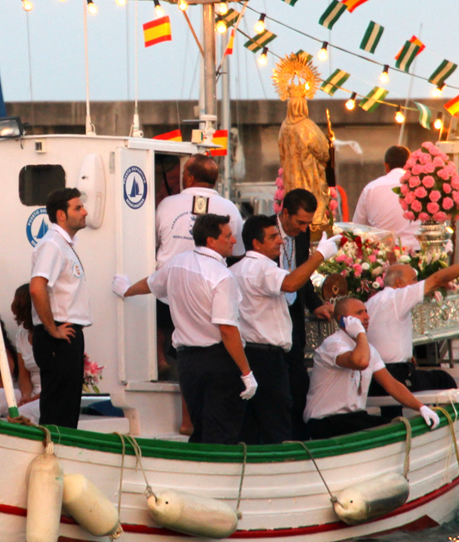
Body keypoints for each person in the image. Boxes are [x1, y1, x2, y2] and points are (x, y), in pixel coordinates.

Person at [116, 214, 254, 445]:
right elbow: (228, 330)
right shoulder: (221, 276)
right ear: (211, 240)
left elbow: (151, 283)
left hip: (188, 364)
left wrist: (126, 290)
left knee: (200, 429)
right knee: (221, 433)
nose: (233, 240)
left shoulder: (177, 263)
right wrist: (246, 373)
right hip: (219, 362)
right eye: (228, 236)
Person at [231, 214, 339, 444]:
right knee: (276, 420)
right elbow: (290, 283)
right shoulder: (262, 268)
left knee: (252, 424)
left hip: (247, 354)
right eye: (273, 237)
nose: (280, 241)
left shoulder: (236, 269)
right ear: (256, 244)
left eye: (278, 236)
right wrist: (320, 255)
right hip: (267, 358)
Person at [153, 153, 244, 391]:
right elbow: (238, 250)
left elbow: (151, 243)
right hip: (209, 289)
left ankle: (160, 359)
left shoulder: (166, 204)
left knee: (161, 324)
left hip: (169, 284)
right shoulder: (229, 208)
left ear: (190, 177)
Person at [304, 297, 441, 439]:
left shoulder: (368, 349)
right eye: (359, 313)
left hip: (354, 417)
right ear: (342, 320)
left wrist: (421, 407)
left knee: (399, 428)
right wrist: (359, 333)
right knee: (389, 434)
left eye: (366, 311)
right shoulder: (333, 344)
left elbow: (392, 384)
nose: (367, 317)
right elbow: (360, 362)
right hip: (325, 421)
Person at [365, 240, 459, 391]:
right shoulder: (398, 296)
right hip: (395, 375)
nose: (418, 283)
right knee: (444, 379)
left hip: (374, 377)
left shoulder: (371, 302)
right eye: (414, 280)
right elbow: (436, 280)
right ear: (399, 283)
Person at [29, 187, 92, 428]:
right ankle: (52, 459)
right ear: (61, 215)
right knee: (58, 409)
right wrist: (51, 329)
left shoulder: (63, 244)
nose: (85, 212)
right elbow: (37, 287)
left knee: (67, 407)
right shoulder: (53, 244)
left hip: (67, 334)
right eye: (78, 207)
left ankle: (61, 457)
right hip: (57, 336)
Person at [274, 187, 325, 432]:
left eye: (308, 223)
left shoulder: (302, 235)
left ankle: (298, 432)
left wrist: (315, 305)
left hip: (293, 315)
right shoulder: (265, 231)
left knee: (298, 379)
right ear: (285, 213)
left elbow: (303, 274)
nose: (304, 228)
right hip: (268, 314)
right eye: (300, 222)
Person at [352, 145, 419, 252]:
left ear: (386, 166)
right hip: (417, 253)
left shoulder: (371, 188)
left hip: (382, 256)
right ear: (409, 164)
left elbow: (358, 228)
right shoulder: (421, 187)